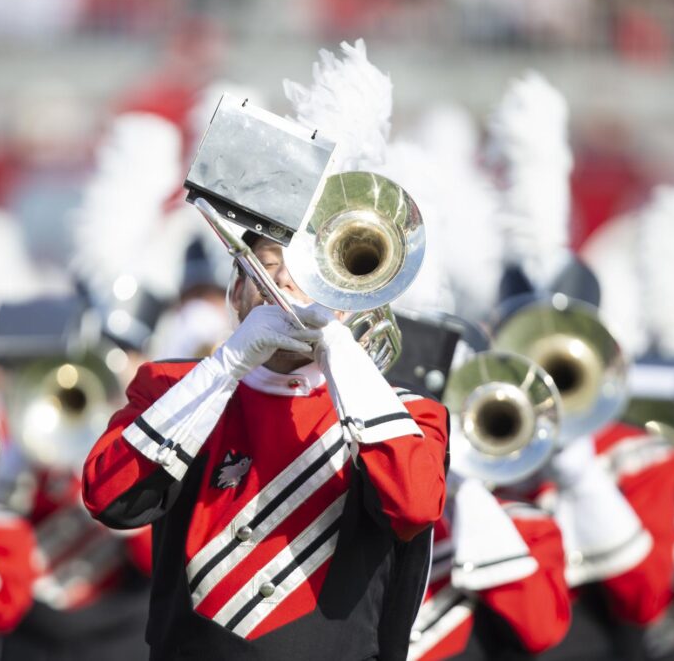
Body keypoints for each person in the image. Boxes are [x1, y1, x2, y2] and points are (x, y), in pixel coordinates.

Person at [83, 232, 450, 660]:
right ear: (237, 292)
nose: (282, 281)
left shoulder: (410, 413)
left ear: (346, 302)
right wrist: (229, 362)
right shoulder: (172, 387)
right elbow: (108, 496)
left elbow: (415, 506)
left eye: (311, 269)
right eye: (266, 263)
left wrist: (338, 347)